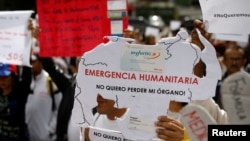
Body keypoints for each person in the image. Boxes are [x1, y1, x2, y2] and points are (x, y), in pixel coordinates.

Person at [25, 52, 62, 141]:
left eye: (33, 61)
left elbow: (60, 107)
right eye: (29, 62)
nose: (31, 64)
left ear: (41, 62)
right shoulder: (27, 81)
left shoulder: (50, 81)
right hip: (29, 135)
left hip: (45, 137)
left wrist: (50, 130)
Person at [0, 63, 31, 141]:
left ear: (13, 77)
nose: (2, 80)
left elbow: (26, 77)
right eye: (0, 76)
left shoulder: (20, 94)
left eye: (5, 76)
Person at [215, 44, 247, 109]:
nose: (234, 63)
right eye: (231, 59)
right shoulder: (216, 84)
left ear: (244, 61)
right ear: (224, 61)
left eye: (237, 59)